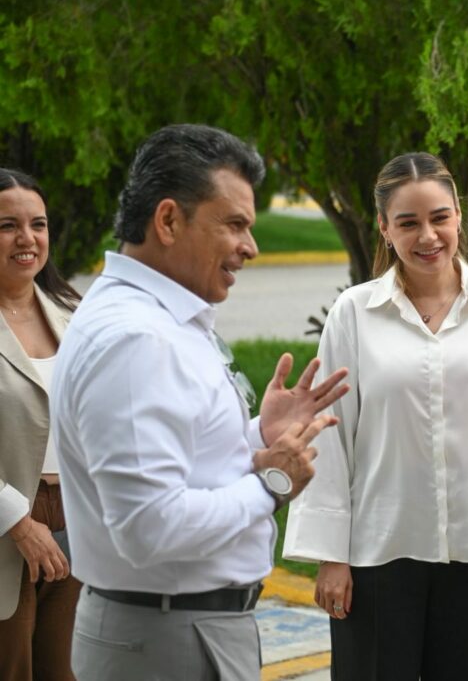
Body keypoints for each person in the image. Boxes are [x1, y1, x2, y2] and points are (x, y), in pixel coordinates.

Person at [49, 124, 349, 681]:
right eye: (234, 225)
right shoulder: (137, 340)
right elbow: (149, 527)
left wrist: (258, 435)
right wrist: (271, 484)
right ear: (168, 221)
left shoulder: (156, 320)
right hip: (167, 641)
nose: (250, 247)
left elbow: (183, 462)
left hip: (177, 629)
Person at [283, 152, 468, 680]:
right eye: (408, 223)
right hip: (378, 555)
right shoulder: (354, 314)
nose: (428, 236)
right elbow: (330, 437)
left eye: (440, 217)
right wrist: (331, 555)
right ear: (384, 227)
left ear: (459, 217)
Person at [0, 169, 82, 680]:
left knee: (65, 670)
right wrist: (18, 521)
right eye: (7, 226)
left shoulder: (74, 314)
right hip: (10, 523)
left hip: (74, 517)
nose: (27, 239)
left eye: (38, 224)